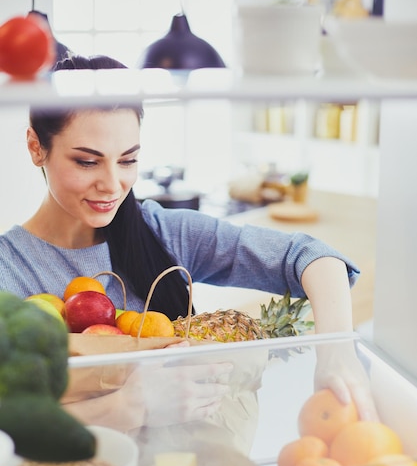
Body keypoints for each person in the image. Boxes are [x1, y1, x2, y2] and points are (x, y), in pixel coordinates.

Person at [0, 54, 376, 421]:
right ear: (36, 148)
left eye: (128, 160)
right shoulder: (10, 272)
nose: (113, 185)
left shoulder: (163, 232)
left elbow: (311, 257)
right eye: (87, 161)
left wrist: (336, 353)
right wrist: (125, 407)